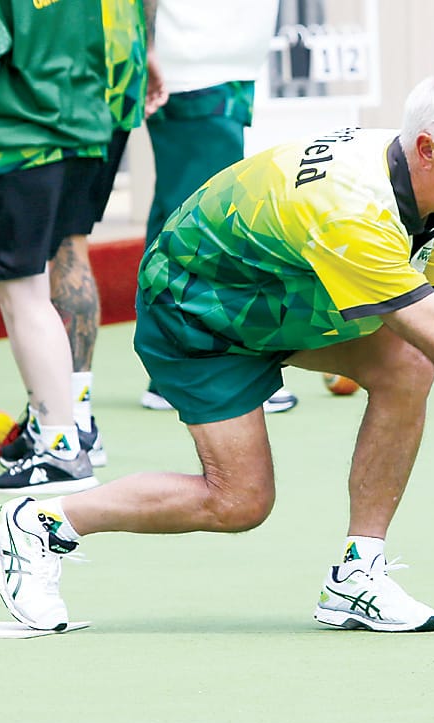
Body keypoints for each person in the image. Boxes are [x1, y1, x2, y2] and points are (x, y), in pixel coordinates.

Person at [0, 71, 434, 635]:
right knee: (239, 501)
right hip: (197, 308)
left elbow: (429, 333)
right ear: (429, 148)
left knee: (408, 364)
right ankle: (40, 522)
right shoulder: (353, 208)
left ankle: (358, 573)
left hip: (286, 296)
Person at [0, 0, 163, 472]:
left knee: (40, 261)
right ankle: (74, 417)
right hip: (110, 75)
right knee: (70, 244)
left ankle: (61, 429)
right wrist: (145, 47)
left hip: (44, 83)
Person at [0, 0, 113, 494]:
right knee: (40, 284)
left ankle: (59, 449)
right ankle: (58, 432)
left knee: (23, 296)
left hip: (16, 139)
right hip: (81, 131)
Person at [139, 0, 297, 414]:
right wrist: (147, 45)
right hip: (190, 63)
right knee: (196, 221)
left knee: (198, 214)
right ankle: (178, 370)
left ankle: (176, 367)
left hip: (229, 59)